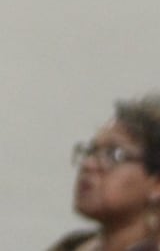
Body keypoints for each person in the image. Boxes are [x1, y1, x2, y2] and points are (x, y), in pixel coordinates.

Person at [48, 94, 160, 251]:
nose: (88, 164)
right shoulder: (69, 246)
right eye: (91, 151)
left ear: (156, 184)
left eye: (113, 155)